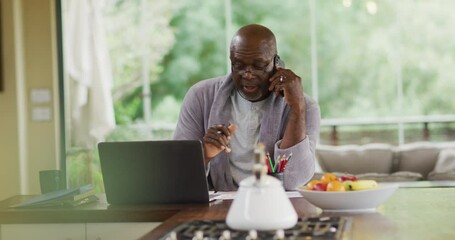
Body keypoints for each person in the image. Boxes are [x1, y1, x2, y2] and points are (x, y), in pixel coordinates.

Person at [174, 24, 320, 191]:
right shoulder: (200, 96)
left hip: (276, 206)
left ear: (276, 63)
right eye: (239, 65)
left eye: (258, 65)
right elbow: (177, 174)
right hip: (220, 206)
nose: (248, 74)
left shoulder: (305, 107)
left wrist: (297, 109)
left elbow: (295, 180)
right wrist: (204, 154)